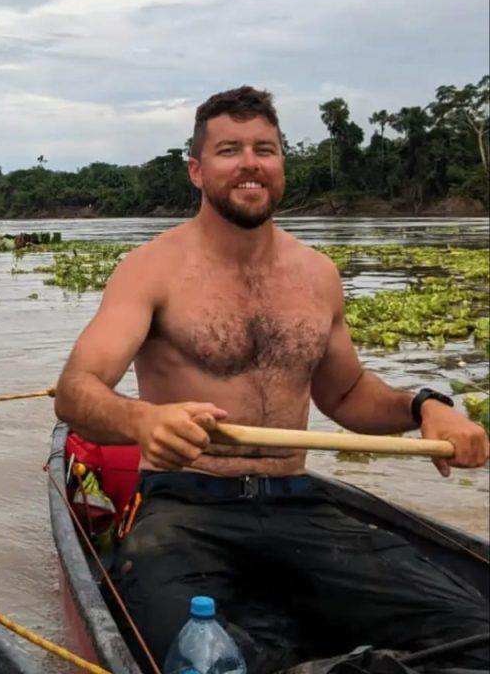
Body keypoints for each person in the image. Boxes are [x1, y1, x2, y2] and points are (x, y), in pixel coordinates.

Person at [54, 86, 489, 670]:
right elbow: (75, 392)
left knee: (475, 631)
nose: (250, 163)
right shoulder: (149, 270)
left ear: (283, 163)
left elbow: (347, 394)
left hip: (296, 505)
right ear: (196, 170)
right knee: (202, 662)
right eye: (229, 150)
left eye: (266, 149)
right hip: (185, 509)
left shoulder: (316, 274)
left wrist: (426, 406)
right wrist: (142, 419)